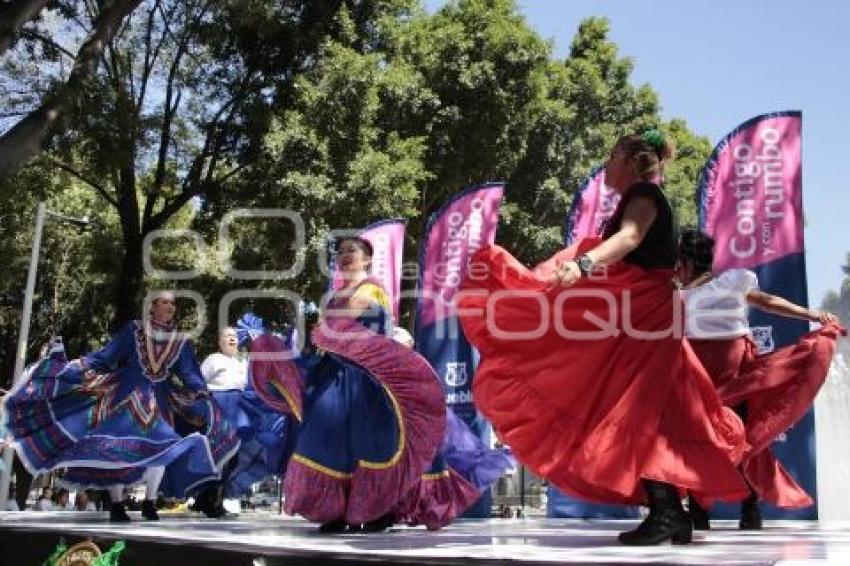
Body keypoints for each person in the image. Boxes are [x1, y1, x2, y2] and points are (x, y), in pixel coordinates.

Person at [458, 130, 751, 546]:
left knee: (637, 409)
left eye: (613, 155)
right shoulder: (643, 195)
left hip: (645, 313)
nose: (607, 164)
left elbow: (630, 237)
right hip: (647, 311)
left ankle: (669, 511)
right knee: (656, 411)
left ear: (633, 160)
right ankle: (671, 511)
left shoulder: (644, 195)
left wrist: (583, 263)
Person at [252, 236, 445, 533]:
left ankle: (380, 510)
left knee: (372, 443)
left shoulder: (371, 288)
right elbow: (326, 331)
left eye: (351, 251)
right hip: (333, 374)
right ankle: (338, 510)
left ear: (367, 259)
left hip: (367, 380)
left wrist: (323, 327)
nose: (344, 256)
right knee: (327, 439)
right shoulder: (337, 295)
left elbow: (338, 324)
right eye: (340, 252)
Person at [3, 292, 240, 523]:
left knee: (164, 447)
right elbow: (107, 356)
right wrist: (78, 366)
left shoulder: (180, 339)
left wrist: (201, 394)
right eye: (165, 302)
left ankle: (149, 501)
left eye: (173, 304)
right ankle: (116, 504)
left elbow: (189, 372)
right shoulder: (133, 330)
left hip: (161, 399)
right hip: (125, 395)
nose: (171, 307)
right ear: (152, 306)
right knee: (116, 450)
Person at [677, 229, 845, 530]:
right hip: (718, 368)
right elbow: (768, 303)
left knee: (704, 438)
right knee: (741, 437)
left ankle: (712, 510)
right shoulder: (720, 285)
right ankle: (746, 508)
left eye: (679, 263)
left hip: (712, 372)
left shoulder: (689, 294)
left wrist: (811, 314)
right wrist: (811, 314)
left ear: (687, 263)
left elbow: (768, 302)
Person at [388, 327, 514, 530]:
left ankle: (432, 510)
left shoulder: (420, 367)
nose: (398, 351)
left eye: (402, 347)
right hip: (401, 432)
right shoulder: (389, 370)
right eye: (394, 347)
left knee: (437, 466)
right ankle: (403, 510)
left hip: (425, 428)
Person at [196, 325, 295, 516]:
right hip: (218, 407)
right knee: (218, 454)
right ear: (220, 342)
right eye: (227, 336)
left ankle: (216, 497)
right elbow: (199, 383)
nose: (232, 339)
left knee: (234, 457)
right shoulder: (213, 359)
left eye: (234, 336)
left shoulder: (242, 362)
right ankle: (207, 497)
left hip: (239, 410)